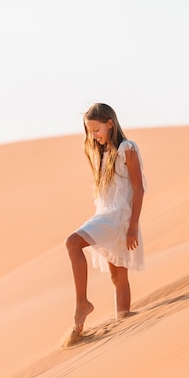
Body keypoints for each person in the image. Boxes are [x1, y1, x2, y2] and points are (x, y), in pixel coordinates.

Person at [66, 103, 147, 334]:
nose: (94, 136)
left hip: (119, 218)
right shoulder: (103, 155)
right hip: (106, 215)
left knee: (73, 242)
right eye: (90, 132)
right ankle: (123, 323)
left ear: (110, 124)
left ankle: (82, 303)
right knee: (117, 277)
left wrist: (132, 227)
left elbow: (138, 189)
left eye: (96, 130)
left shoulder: (126, 148)